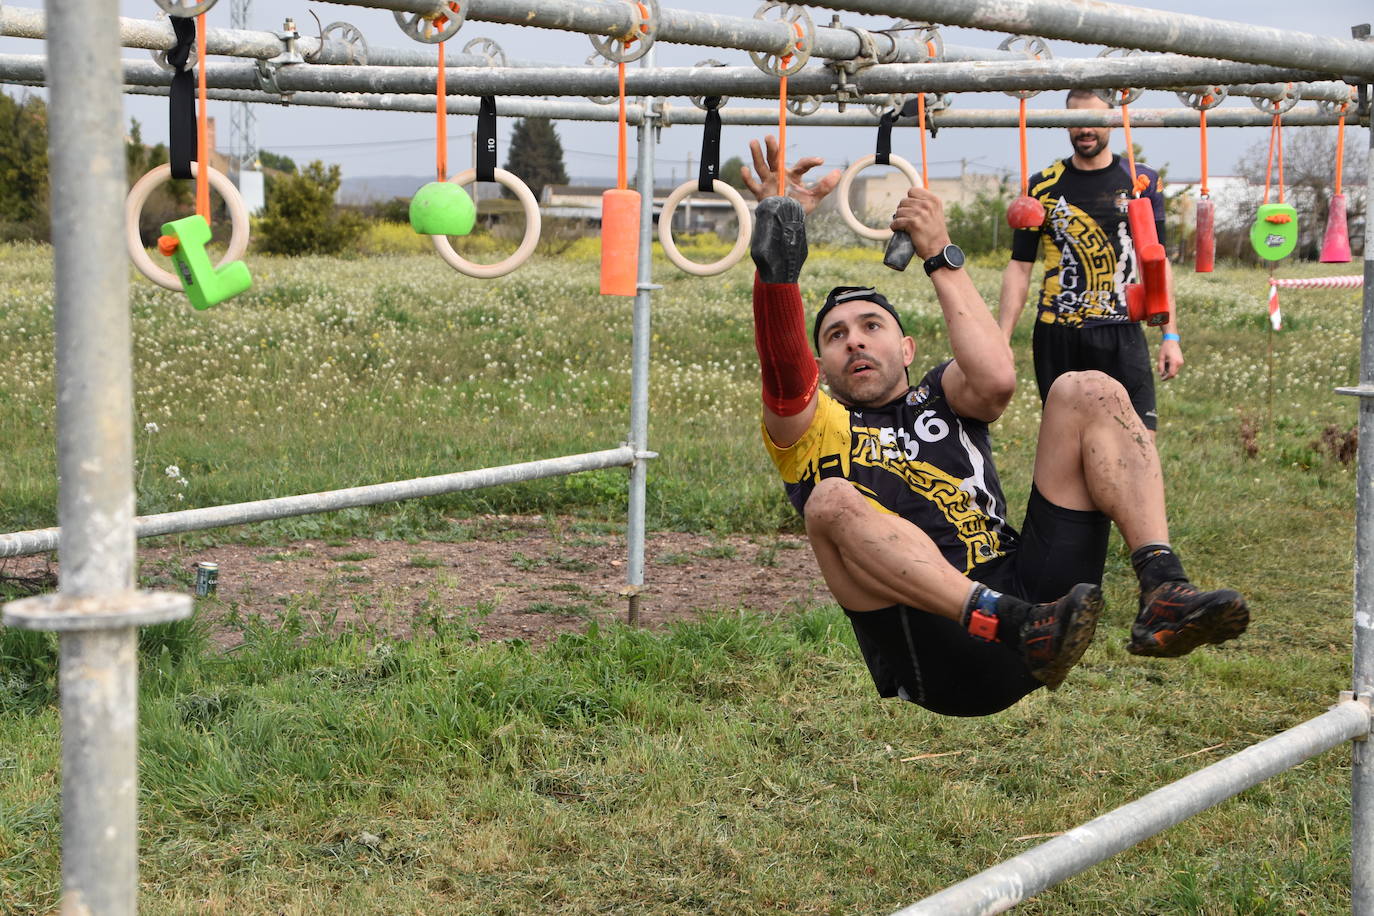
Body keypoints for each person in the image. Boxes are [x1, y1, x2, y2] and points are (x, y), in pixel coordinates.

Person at [743, 139, 1247, 718]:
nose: (854, 339)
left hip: (1041, 604)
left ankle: (1162, 587)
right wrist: (777, 270)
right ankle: (1000, 618)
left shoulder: (942, 393)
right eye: (834, 336)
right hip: (945, 645)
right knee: (829, 500)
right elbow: (784, 376)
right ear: (822, 368)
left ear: (906, 347)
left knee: (1087, 388)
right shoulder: (815, 429)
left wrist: (939, 253)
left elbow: (997, 379)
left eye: (871, 325)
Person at [998, 89, 1183, 435]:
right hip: (1058, 332)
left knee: (1139, 438)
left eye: (1094, 120)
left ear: (1113, 119)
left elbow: (1156, 262)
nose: (1085, 130)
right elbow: (1020, 266)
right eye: (1076, 121)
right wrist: (1002, 339)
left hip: (1121, 329)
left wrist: (1169, 335)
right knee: (1066, 442)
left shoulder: (1141, 183)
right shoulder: (1040, 187)